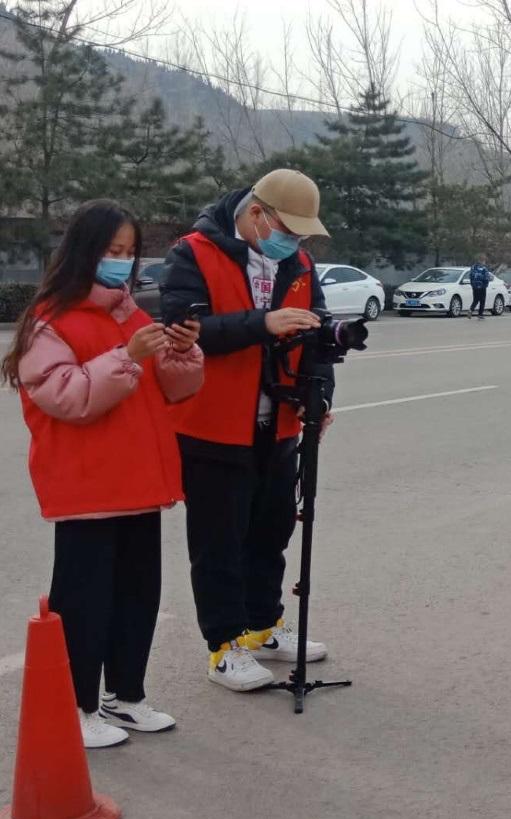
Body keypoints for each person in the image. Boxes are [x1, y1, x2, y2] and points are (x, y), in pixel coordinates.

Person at [1, 200, 204, 748]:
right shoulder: (50, 320)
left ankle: (126, 696)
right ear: (83, 252)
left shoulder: (131, 313)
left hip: (139, 482)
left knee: (138, 595)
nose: (121, 261)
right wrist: (127, 356)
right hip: (86, 487)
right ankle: (75, 706)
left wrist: (182, 355)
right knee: (84, 601)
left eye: (129, 251)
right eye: (112, 250)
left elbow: (171, 392)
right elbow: (67, 397)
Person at [160, 169, 332, 693]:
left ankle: (262, 626)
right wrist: (262, 323)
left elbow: (318, 334)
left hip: (277, 424)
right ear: (257, 214)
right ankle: (224, 644)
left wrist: (319, 399)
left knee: (271, 532)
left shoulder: (299, 263)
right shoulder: (192, 253)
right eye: (288, 231)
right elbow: (183, 333)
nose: (294, 244)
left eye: (301, 236)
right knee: (218, 541)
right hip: (213, 425)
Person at [469, 254, 492, 319]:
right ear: (482, 261)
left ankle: (471, 310)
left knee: (475, 300)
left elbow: (470, 276)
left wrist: (472, 284)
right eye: (484, 261)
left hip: (475, 286)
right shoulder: (484, 268)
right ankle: (480, 314)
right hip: (482, 286)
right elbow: (486, 277)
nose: (484, 262)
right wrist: (486, 284)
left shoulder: (473, 267)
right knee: (482, 300)